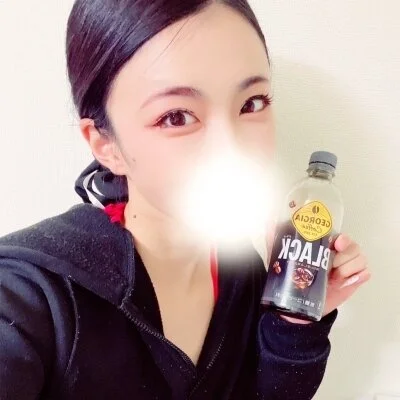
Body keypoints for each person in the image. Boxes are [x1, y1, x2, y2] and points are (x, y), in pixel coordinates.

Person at [0, 1, 370, 399]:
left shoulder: (243, 271)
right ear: (107, 145)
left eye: (252, 103)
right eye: (176, 116)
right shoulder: (30, 294)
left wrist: (294, 320)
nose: (233, 151)